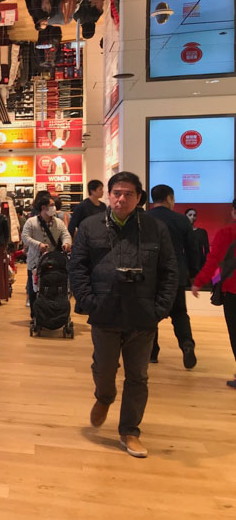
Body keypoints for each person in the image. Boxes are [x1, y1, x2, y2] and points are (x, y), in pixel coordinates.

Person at [69, 172, 178, 458]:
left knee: (138, 376)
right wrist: (88, 301)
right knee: (103, 368)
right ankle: (104, 396)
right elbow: (77, 268)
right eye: (117, 192)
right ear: (108, 194)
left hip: (142, 315)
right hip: (104, 311)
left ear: (139, 197)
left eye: (128, 194)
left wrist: (160, 308)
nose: (121, 198)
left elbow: (169, 271)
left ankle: (129, 431)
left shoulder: (155, 229)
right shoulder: (91, 226)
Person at [147, 184, 198, 368]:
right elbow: (192, 249)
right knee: (179, 312)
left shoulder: (144, 218)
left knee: (151, 313)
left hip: (150, 274)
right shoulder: (182, 220)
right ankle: (186, 344)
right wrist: (193, 273)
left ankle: (152, 352)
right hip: (175, 274)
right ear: (169, 198)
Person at [191, 199, 236, 389]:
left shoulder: (227, 233)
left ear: (234, 211)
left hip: (233, 292)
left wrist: (199, 282)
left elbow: (214, 259)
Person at [22, 194, 72, 313]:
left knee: (53, 287)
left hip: (54, 261)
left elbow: (66, 234)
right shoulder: (31, 222)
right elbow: (24, 237)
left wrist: (66, 243)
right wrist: (38, 245)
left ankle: (51, 312)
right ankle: (35, 314)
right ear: (43, 207)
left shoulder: (58, 222)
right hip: (35, 262)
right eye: (51, 205)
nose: (54, 208)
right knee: (34, 289)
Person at [185, 208, 210, 276]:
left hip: (199, 263)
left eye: (194, 215)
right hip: (186, 264)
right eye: (190, 215)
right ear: (185, 216)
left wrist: (206, 264)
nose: (192, 217)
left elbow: (207, 249)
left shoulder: (202, 232)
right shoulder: (182, 232)